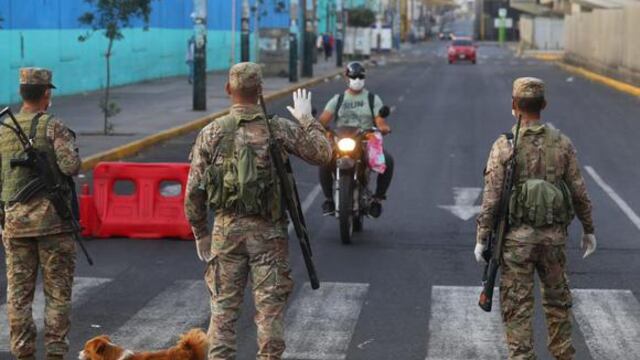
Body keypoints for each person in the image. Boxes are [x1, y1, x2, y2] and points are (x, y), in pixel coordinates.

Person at [184, 62, 332, 360]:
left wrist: (200, 232)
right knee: (269, 312)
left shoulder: (212, 133)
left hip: (226, 235)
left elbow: (193, 192)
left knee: (223, 313)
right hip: (269, 234)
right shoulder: (277, 128)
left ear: (229, 90)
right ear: (261, 91)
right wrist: (307, 119)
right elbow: (323, 154)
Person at [475, 77, 597, 360]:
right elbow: (579, 191)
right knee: (558, 303)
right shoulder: (562, 144)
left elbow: (492, 197)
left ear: (513, 105)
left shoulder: (505, 146)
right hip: (553, 240)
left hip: (516, 243)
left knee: (518, 307)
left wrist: (482, 238)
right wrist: (588, 229)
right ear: (544, 105)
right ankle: (563, 354)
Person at [1, 67, 81, 360]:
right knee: (57, 295)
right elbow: (71, 167)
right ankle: (56, 354)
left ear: (23, 93)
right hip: (53, 226)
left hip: (15, 225)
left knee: (18, 297)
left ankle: (22, 354)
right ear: (46, 93)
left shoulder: (2, 131)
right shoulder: (54, 127)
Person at [318, 61, 393, 217]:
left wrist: (383, 127)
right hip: (341, 140)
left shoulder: (372, 99)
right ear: (347, 78)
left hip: (365, 141)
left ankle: (377, 200)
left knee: (388, 160)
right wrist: (316, 127)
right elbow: (323, 120)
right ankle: (329, 200)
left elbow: (380, 121)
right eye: (354, 76)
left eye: (360, 76)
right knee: (324, 160)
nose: (357, 79)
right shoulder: (337, 100)